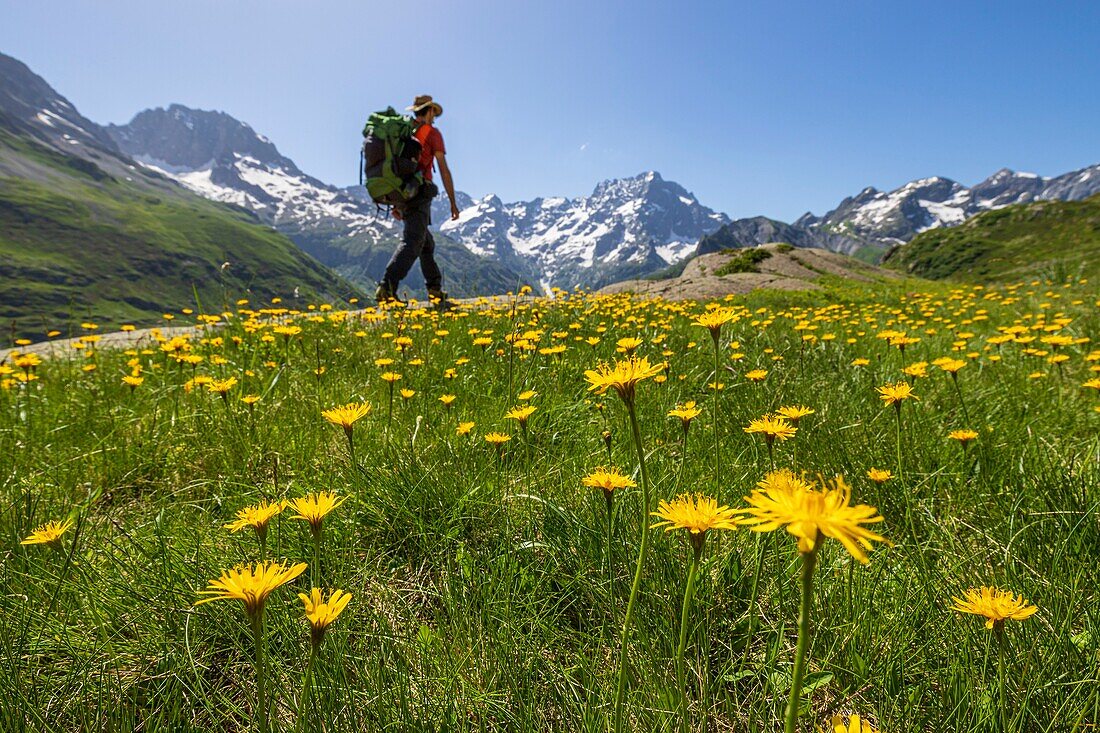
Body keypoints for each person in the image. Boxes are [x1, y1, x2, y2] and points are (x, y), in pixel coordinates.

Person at [375, 94, 461, 306]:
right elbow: (443, 169)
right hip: (419, 193)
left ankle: (434, 289)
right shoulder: (431, 134)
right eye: (434, 113)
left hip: (403, 193)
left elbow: (399, 169)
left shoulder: (407, 133)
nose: (435, 118)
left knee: (425, 242)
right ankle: (387, 287)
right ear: (429, 111)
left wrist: (396, 202)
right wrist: (452, 201)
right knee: (413, 241)